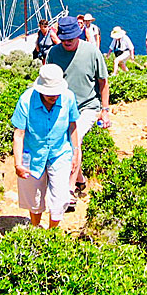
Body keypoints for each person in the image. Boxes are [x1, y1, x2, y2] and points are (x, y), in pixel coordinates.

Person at [46, 16, 110, 205]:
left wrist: (105, 110)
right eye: (63, 39)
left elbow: (103, 82)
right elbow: (48, 81)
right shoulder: (53, 53)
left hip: (88, 106)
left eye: (70, 39)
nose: (66, 42)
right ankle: (81, 180)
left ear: (78, 34)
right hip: (62, 107)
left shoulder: (92, 52)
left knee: (75, 139)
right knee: (62, 143)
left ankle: (69, 188)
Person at [11, 63, 80, 228]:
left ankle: (51, 233)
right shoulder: (26, 100)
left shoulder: (69, 97)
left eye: (57, 93)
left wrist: (76, 152)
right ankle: (35, 228)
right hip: (33, 152)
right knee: (34, 196)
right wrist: (18, 164)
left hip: (60, 152)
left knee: (60, 197)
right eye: (50, 93)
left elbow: (72, 126)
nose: (54, 96)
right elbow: (19, 134)